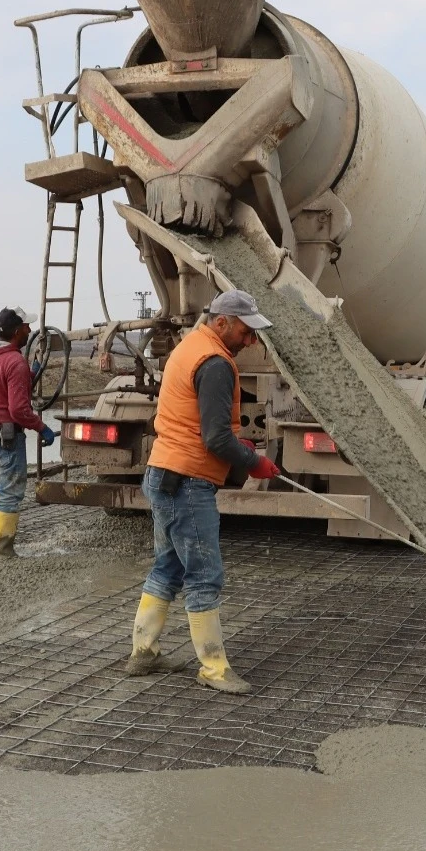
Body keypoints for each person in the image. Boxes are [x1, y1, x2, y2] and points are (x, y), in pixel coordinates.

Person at [124, 290, 279, 694]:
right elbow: (215, 439)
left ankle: (144, 651)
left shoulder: (191, 346)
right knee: (204, 574)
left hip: (164, 473)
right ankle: (213, 668)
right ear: (223, 322)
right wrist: (253, 461)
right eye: (247, 332)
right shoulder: (215, 364)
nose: (251, 342)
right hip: (187, 484)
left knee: (168, 566)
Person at [0, 306, 57, 559]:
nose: (30, 330)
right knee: (13, 491)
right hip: (7, 436)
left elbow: (4, 384)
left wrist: (31, 374)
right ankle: (3, 550)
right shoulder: (15, 361)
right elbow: (18, 409)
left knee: (5, 483)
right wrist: (42, 427)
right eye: (27, 327)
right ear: (17, 331)